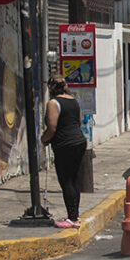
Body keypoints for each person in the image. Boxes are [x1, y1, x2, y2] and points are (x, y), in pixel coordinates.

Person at [41, 76, 87, 228]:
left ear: (51, 88)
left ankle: (72, 219)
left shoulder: (53, 103)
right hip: (79, 142)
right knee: (73, 180)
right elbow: (78, 122)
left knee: (66, 181)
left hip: (65, 144)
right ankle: (74, 215)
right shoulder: (73, 101)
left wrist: (44, 139)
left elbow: (52, 127)